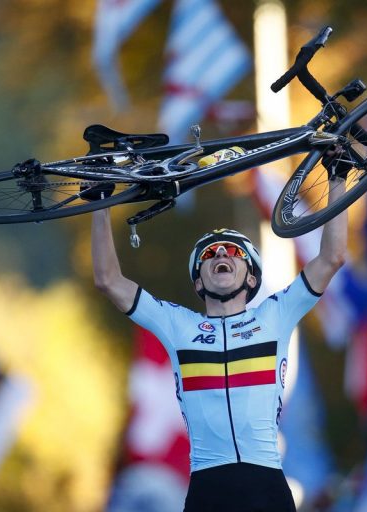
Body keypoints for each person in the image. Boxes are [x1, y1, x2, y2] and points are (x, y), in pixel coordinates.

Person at [91, 155, 350, 512]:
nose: (221, 254)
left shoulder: (276, 314)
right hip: (207, 489)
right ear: (200, 280)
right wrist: (101, 206)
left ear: (251, 278)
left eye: (233, 251)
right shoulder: (177, 325)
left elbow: (332, 257)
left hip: (267, 487)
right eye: (210, 254)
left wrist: (337, 176)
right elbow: (108, 280)